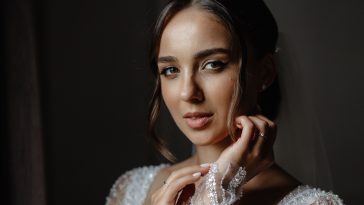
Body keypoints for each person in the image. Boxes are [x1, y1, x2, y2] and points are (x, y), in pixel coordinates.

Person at [105, 0, 343, 204]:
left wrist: (220, 186)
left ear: (266, 73)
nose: (188, 93)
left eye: (213, 64)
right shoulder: (132, 189)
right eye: (170, 70)